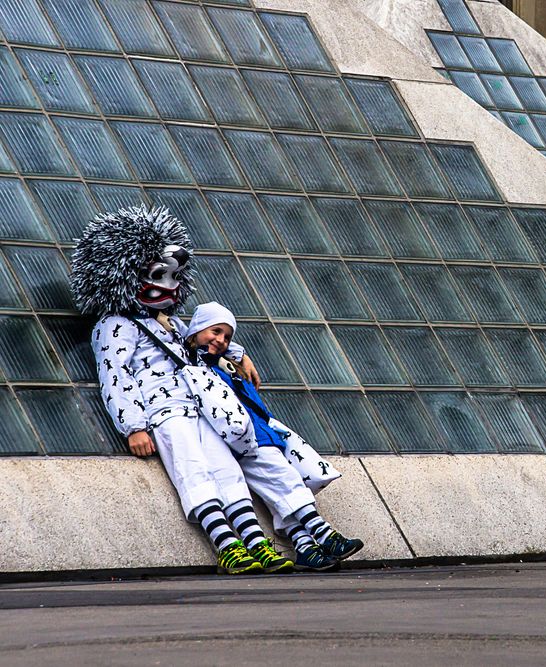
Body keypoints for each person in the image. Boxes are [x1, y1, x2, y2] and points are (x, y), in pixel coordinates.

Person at [73, 206, 292, 575]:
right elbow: (114, 375)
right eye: (160, 274)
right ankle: (227, 547)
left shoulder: (171, 322)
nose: (170, 285)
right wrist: (134, 426)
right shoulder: (114, 325)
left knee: (227, 471)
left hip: (200, 407)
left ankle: (257, 544)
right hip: (166, 413)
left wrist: (238, 353)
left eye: (174, 276)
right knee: (193, 472)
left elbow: (195, 343)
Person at [184, 302, 364, 569]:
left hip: (258, 434)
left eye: (227, 337)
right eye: (216, 331)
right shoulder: (195, 363)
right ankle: (325, 534)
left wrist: (239, 354)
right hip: (250, 438)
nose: (221, 341)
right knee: (287, 481)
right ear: (197, 329)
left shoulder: (221, 363)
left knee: (279, 492)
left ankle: (306, 548)